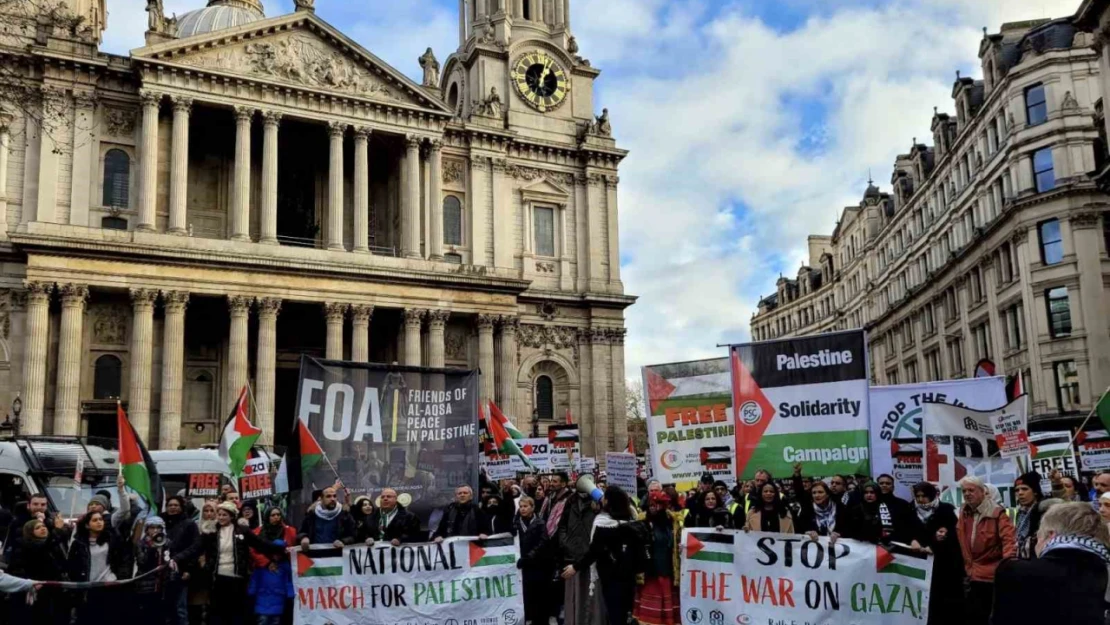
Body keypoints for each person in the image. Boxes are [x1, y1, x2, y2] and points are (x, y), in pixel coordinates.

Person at [991, 502, 1110, 624]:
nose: (1036, 544)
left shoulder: (1014, 572)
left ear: (1051, 535)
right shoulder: (1104, 573)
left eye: (1038, 537)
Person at [561, 487, 639, 625]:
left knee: (615, 613)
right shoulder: (632, 520)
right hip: (629, 575)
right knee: (625, 612)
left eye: (605, 497)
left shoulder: (603, 523)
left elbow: (594, 551)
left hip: (611, 576)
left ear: (608, 501)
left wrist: (576, 567)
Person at [203, 502, 284, 625]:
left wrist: (280, 549)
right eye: (219, 515)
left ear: (232, 516)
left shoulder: (242, 531)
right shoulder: (212, 532)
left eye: (224, 515)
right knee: (217, 612)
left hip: (237, 577)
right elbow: (196, 548)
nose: (220, 517)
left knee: (237, 612)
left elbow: (260, 544)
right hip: (217, 577)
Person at [955, 475, 1015, 625]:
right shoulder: (964, 511)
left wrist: (1007, 567)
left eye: (971, 490)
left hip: (990, 576)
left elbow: (1009, 541)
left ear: (982, 492)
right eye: (964, 491)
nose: (967, 494)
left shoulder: (997, 513)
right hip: (970, 574)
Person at [908, 482, 962, 624]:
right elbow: (904, 529)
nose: (920, 500)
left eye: (924, 496)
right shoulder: (910, 509)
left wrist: (936, 544)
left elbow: (955, 534)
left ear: (932, 495)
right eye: (918, 496)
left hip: (942, 561)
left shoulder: (946, 510)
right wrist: (912, 540)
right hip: (919, 559)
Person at [68, 510, 132, 625]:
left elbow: (123, 560)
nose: (99, 522)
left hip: (109, 585)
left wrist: (120, 577)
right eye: (95, 520)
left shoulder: (112, 539)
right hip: (88, 588)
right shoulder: (78, 544)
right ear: (87, 525)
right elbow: (72, 566)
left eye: (101, 519)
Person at [632, 491, 682, 625]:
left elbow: (679, 542)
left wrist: (681, 546)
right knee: (648, 618)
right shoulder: (642, 520)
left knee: (667, 616)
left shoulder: (674, 521)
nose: (653, 507)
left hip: (667, 571)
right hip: (649, 573)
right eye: (651, 504)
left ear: (665, 505)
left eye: (657, 504)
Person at [8, 519, 66, 625]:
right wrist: (57, 531)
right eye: (37, 528)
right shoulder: (25, 546)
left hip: (54, 590)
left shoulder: (55, 546)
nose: (43, 528)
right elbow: (41, 550)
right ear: (30, 532)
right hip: (35, 592)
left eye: (43, 526)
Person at [557, 474, 598, 625]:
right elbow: (561, 525)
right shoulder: (571, 501)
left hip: (589, 555)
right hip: (572, 554)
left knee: (590, 597)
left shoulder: (597, 503)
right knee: (574, 597)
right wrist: (564, 542)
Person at [162, 495, 201, 625]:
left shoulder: (189, 524)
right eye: (170, 505)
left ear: (181, 507)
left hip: (181, 570)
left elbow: (194, 548)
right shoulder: (161, 523)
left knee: (180, 608)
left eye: (176, 505)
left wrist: (189, 569)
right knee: (165, 608)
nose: (173, 508)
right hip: (162, 572)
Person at [513, 495, 551, 625]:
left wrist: (529, 556)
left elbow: (543, 542)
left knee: (539, 596)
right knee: (526, 595)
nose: (522, 509)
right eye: (521, 507)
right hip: (522, 564)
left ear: (532, 507)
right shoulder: (516, 523)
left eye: (525, 506)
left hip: (537, 564)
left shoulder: (540, 523)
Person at [851, 481, 917, 544]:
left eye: (872, 492)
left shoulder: (887, 508)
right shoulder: (856, 510)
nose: (869, 495)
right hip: (862, 546)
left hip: (884, 546)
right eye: (866, 492)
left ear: (877, 493)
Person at [248, 538, 294, 625]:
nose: (276, 556)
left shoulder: (284, 566)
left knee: (274, 620)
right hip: (266, 595)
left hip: (274, 596)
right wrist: (252, 590)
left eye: (279, 554)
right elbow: (255, 577)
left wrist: (290, 593)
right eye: (275, 553)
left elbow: (288, 580)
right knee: (264, 619)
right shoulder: (263, 564)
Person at [188, 500, 218, 625]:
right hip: (197, 569)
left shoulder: (220, 527)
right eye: (206, 511)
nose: (209, 514)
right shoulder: (195, 527)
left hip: (214, 568)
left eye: (212, 511)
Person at [794, 477, 851, 541]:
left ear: (827, 494)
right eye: (814, 493)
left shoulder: (839, 508)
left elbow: (848, 529)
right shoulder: (807, 510)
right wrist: (808, 533)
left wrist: (839, 534)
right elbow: (799, 531)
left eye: (820, 492)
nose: (816, 495)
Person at [1011, 472, 1048, 559]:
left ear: (1035, 491)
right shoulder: (1021, 512)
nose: (1020, 493)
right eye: (1017, 490)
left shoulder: (1044, 511)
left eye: (1025, 489)